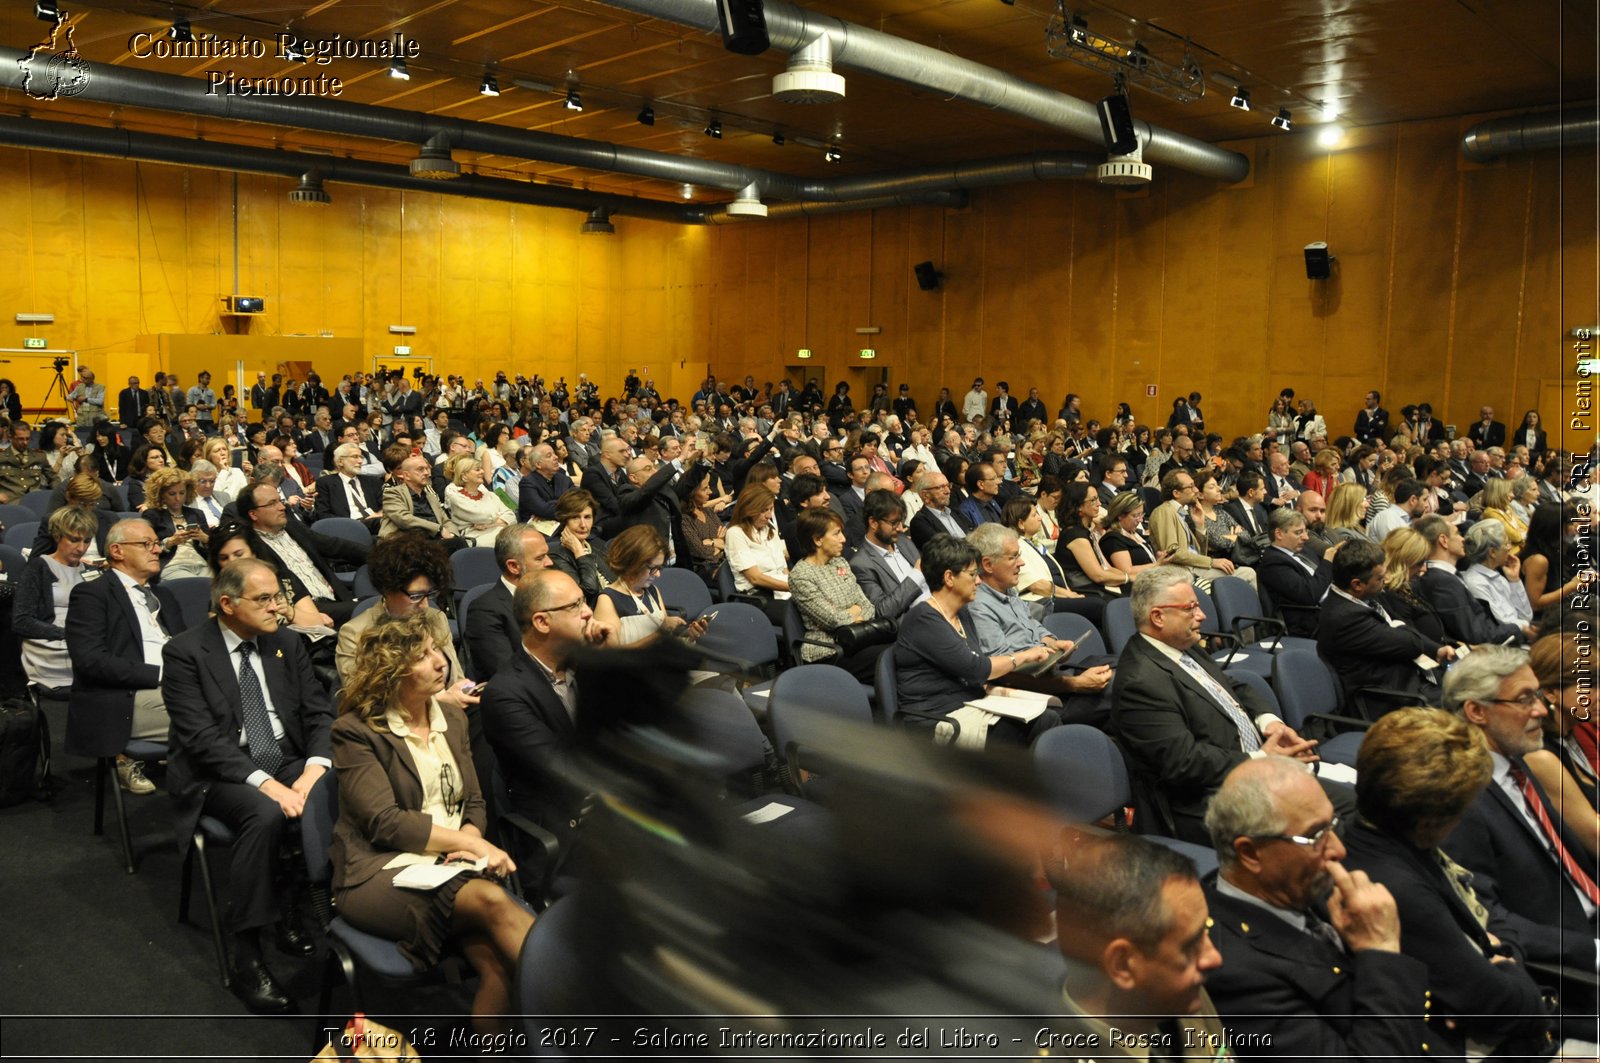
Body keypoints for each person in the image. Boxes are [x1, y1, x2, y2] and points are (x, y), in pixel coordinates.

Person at [329, 613, 534, 1035]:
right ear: (391, 668)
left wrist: (470, 840)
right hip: (378, 871)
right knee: (494, 902)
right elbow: (385, 824)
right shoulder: (356, 731)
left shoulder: (452, 718)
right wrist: (473, 847)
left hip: (451, 863)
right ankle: (593, 1010)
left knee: (498, 967)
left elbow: (474, 801)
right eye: (422, 656)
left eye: (437, 649)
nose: (440, 661)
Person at [1341, 708, 1567, 1059]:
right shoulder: (1400, 889)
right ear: (1431, 822)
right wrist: (1509, 963)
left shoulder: (1377, 833)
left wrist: (1502, 950)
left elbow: (1488, 911)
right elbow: (1514, 1008)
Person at [161, 558, 334, 1011]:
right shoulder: (184, 652)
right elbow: (201, 740)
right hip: (220, 770)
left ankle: (295, 903)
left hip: (288, 757)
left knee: (336, 789)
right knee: (264, 814)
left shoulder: (287, 644)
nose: (278, 607)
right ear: (227, 604)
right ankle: (248, 952)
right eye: (264, 599)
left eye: (278, 596)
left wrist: (315, 768)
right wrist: (267, 784)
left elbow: (318, 712)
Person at [1201, 758, 1432, 1058]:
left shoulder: (1303, 885)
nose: (1338, 849)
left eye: (1333, 825)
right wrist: (1383, 950)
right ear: (1250, 853)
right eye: (1315, 836)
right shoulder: (1232, 974)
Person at [1111, 566, 1325, 843]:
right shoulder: (1139, 681)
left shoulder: (1182, 646)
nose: (1202, 616)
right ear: (1158, 617)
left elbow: (1233, 687)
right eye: (1190, 608)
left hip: (1250, 774)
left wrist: (1270, 724)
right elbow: (1184, 762)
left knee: (1346, 804)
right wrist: (1260, 760)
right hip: (1209, 803)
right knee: (1334, 817)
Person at [1440, 646, 1600, 976]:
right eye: (1525, 699)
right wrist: (1591, 951)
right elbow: (1485, 916)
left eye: (1538, 696)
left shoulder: (1517, 765)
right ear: (1476, 711)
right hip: (1565, 962)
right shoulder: (1460, 799)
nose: (1541, 710)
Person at [1049, 833, 1229, 1052]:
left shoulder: (1178, 993)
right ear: (1123, 965)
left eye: (1205, 930)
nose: (1214, 957)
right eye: (1191, 945)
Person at [889, 533, 1059, 747]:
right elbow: (976, 669)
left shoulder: (962, 613)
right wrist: (1023, 656)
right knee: (1043, 723)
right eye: (972, 574)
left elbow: (976, 670)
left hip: (971, 705)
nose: (978, 580)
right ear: (949, 578)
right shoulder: (924, 619)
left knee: (1048, 712)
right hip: (937, 719)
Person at [65, 519, 182, 797]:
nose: (157, 550)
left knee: (242, 700)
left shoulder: (163, 594)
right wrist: (162, 674)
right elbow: (90, 660)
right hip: (123, 695)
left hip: (177, 686)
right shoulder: (92, 594)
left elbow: (187, 645)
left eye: (156, 544)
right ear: (117, 551)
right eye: (147, 544)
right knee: (217, 716)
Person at [967, 523, 1113, 726]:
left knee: (1124, 665)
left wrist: (1052, 642)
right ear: (988, 565)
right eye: (1013, 557)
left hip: (1051, 674)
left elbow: (1032, 625)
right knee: (1125, 685)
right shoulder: (979, 607)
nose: (1022, 563)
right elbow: (1005, 675)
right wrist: (1073, 684)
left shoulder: (1008, 589)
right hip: (1034, 696)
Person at [334, 534, 479, 721]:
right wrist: (438, 703)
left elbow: (456, 679)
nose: (425, 605)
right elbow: (363, 704)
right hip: (396, 729)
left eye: (429, 594)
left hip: (453, 718)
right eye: (416, 595)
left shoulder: (436, 618)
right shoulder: (355, 633)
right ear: (388, 589)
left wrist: (467, 691)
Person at [1317, 538, 1454, 702]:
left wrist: (1436, 650)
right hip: (1391, 697)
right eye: (1380, 578)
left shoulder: (1365, 597)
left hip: (1409, 681)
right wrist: (1399, 627)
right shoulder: (1345, 617)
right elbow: (1412, 644)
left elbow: (1401, 626)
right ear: (1357, 584)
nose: (1386, 579)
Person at [787, 508, 887, 682]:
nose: (844, 539)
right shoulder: (801, 575)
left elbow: (867, 605)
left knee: (902, 648)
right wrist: (854, 612)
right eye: (837, 534)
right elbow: (833, 620)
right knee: (891, 657)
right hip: (829, 651)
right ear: (818, 540)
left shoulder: (839, 562)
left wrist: (853, 613)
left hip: (859, 639)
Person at [1526, 632, 1600, 853]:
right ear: (1550, 692)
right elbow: (1594, 837)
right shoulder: (1541, 755)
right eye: (1589, 686)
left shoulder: (1569, 732)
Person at [13, 505, 97, 695]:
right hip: (51, 644)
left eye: (87, 541)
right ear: (58, 536)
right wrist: (68, 634)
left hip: (85, 640)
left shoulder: (90, 571)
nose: (81, 548)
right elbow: (22, 621)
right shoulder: (39, 567)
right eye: (74, 540)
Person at [1413, 515, 1533, 645]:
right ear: (1443, 541)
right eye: (1457, 533)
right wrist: (1520, 629)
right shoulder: (1442, 582)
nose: (1462, 539)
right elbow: (1477, 634)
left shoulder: (1445, 578)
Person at [463, 523, 554, 682]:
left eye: (547, 555)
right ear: (513, 566)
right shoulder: (484, 611)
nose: (549, 562)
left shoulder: (553, 595)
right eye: (540, 558)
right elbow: (508, 674)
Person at [206, 522, 335, 631]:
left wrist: (289, 612)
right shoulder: (221, 593)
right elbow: (223, 635)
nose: (232, 562)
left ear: (254, 552)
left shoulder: (283, 578)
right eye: (224, 558)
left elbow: (317, 621)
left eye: (239, 554)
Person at [592, 525, 705, 647]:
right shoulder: (607, 600)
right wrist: (660, 634)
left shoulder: (652, 591)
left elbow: (665, 642)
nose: (658, 574)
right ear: (632, 564)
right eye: (652, 568)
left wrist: (688, 635)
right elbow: (612, 657)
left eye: (659, 567)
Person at [1148, 469, 1240, 591]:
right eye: (1191, 487)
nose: (1196, 490)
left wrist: (1199, 525)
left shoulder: (1181, 513)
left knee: (1244, 573)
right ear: (1176, 493)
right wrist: (1212, 562)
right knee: (1247, 574)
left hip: (1195, 568)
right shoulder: (1164, 511)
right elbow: (1172, 553)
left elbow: (1199, 553)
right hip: (1184, 572)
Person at [1255, 509, 1331, 637]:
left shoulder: (1304, 551)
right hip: (1308, 623)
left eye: (1305, 531)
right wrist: (1328, 562)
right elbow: (1309, 595)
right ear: (1279, 534)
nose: (1306, 537)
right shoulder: (1273, 563)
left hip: (1330, 607)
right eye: (1298, 532)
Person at [723, 484, 790, 624]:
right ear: (749, 509)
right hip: (758, 597)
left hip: (781, 589)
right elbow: (755, 578)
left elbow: (783, 569)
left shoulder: (769, 529)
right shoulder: (735, 533)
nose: (769, 515)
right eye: (764, 510)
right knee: (802, 611)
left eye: (771, 509)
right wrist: (793, 587)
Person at [1053, 481, 1131, 599]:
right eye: (1093, 500)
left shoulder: (1086, 530)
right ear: (1078, 506)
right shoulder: (1075, 535)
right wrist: (1128, 578)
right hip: (1085, 590)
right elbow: (1098, 576)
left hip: (1096, 586)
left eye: (1098, 499)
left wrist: (1127, 577)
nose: (1099, 504)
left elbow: (1106, 567)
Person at [1459, 518, 1535, 630]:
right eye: (1506, 543)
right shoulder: (1475, 583)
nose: (1509, 548)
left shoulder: (1499, 574)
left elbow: (1526, 616)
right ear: (1492, 552)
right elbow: (1503, 624)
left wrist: (1515, 580)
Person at [142, 465, 211, 579]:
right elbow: (146, 548)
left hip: (201, 563)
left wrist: (204, 539)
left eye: (182, 493)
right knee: (194, 584)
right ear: (161, 495)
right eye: (172, 494)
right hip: (173, 564)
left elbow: (214, 548)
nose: (178, 498)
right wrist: (170, 542)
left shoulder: (196, 514)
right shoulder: (152, 515)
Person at [546, 489, 612, 606]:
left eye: (587, 517)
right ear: (564, 520)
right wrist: (579, 553)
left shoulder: (597, 547)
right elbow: (588, 592)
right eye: (575, 518)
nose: (583, 525)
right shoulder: (554, 554)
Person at [443, 452, 516, 547]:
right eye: (477, 470)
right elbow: (482, 516)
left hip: (499, 531)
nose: (482, 471)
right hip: (476, 537)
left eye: (481, 469)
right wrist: (498, 516)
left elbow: (511, 515)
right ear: (464, 476)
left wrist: (488, 525)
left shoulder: (489, 494)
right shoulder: (456, 497)